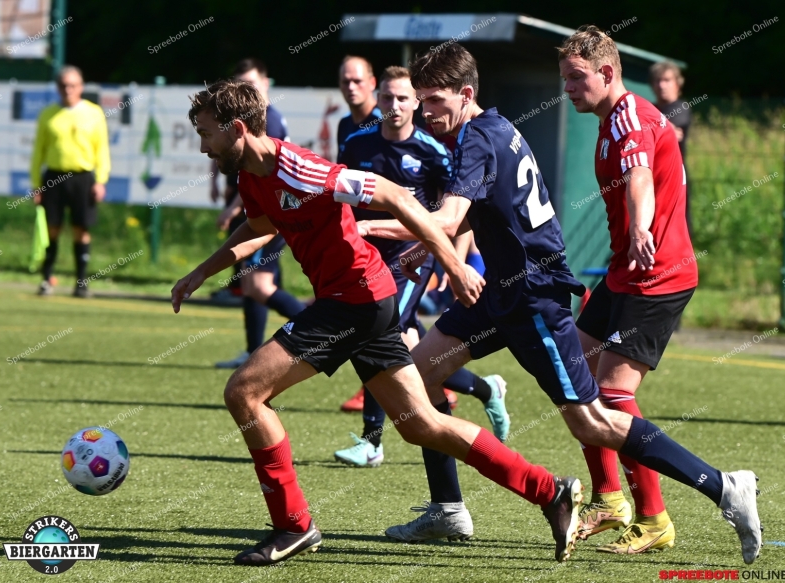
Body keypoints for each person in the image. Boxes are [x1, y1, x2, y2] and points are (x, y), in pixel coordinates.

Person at [357, 43, 761, 565]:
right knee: (419, 375)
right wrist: (420, 247)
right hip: (499, 290)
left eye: (432, 100)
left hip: (532, 299)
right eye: (420, 100)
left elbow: (450, 218)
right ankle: (449, 507)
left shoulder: (480, 139)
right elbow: (486, 208)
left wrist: (364, 224)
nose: (424, 110)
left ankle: (723, 487)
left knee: (592, 419)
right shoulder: (491, 127)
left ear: (465, 94)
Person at [173, 78, 587, 567]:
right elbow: (261, 226)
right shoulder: (251, 175)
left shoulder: (303, 169)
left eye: (206, 134)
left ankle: (293, 525)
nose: (202, 147)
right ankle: (550, 491)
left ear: (237, 129)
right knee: (423, 425)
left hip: (356, 301)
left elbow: (396, 196)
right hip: (362, 299)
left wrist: (452, 264)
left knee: (244, 391)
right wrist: (204, 269)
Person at [561, 26, 701, 554]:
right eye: (565, 79)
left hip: (657, 275)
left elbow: (639, 174)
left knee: (615, 395)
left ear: (607, 72)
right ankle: (608, 499)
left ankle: (654, 517)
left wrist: (642, 225)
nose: (569, 89)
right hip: (626, 272)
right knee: (572, 377)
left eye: (577, 78)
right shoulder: (610, 118)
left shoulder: (630, 117)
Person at [333, 66, 510, 469]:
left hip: (411, 259)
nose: (394, 106)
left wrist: (454, 258)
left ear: (415, 102)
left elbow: (456, 212)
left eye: (403, 98)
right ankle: (485, 389)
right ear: (376, 100)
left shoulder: (433, 151)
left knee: (380, 336)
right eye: (386, 98)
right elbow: (340, 199)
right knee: (410, 348)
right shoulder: (357, 144)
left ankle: (372, 441)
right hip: (365, 258)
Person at [210, 58, 305, 369]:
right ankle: (253, 351)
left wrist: (232, 207)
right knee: (252, 285)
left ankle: (323, 331)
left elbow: (258, 174)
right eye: (240, 85)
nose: (245, 91)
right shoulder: (242, 120)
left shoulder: (268, 120)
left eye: (250, 84)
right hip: (256, 209)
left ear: (265, 84)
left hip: (268, 213)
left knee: (257, 285)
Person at [31, 65, 110, 298]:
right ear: (57, 87)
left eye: (73, 85)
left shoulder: (94, 113)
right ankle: (47, 279)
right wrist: (37, 185)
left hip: (83, 178)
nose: (68, 89)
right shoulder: (48, 114)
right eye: (64, 85)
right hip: (54, 178)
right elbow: (38, 153)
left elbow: (102, 151)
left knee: (81, 229)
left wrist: (101, 181)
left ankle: (81, 283)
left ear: (81, 87)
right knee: (51, 230)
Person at [649, 61, 692, 234]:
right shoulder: (651, 108)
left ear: (678, 83)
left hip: (674, 177)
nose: (661, 85)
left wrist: (654, 128)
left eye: (667, 80)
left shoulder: (681, 108)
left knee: (676, 228)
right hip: (650, 176)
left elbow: (666, 131)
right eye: (657, 80)